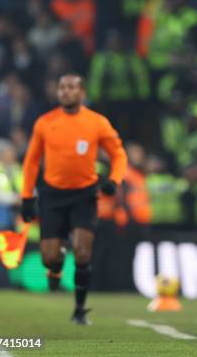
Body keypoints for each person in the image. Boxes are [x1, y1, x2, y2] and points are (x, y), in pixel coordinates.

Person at [20, 73, 127, 325]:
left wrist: (114, 181)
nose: (66, 92)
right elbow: (31, 161)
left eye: (71, 87)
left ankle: (79, 309)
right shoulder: (45, 123)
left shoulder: (97, 122)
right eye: (62, 88)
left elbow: (118, 154)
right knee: (49, 256)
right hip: (52, 195)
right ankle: (55, 267)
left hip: (84, 194)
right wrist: (26, 196)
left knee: (82, 253)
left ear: (82, 92)